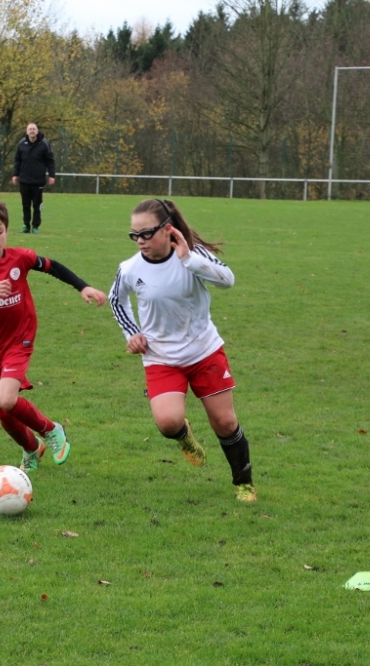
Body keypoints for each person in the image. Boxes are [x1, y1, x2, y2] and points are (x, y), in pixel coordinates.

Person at [108, 198, 256, 502]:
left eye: (146, 233)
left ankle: (243, 483)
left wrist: (189, 258)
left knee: (225, 422)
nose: (140, 241)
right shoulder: (130, 268)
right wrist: (132, 333)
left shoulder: (193, 255)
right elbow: (116, 300)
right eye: (134, 235)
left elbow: (227, 280)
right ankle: (184, 436)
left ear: (167, 229)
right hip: (161, 358)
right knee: (168, 423)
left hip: (204, 351)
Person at [0, 197, 106, 472]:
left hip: (20, 339)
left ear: (7, 230)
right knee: (2, 411)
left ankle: (51, 430)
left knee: (7, 399)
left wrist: (83, 287)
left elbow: (53, 266)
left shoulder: (20, 258)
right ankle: (31, 448)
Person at [11, 123, 55, 234]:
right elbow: (17, 161)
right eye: (30, 129)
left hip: (38, 181)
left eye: (34, 129)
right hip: (24, 180)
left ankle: (35, 226)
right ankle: (26, 225)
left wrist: (52, 175)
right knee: (25, 205)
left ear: (37, 131)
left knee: (37, 205)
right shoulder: (22, 144)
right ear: (27, 132)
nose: (32, 131)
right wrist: (15, 175)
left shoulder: (44, 144)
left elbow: (50, 161)